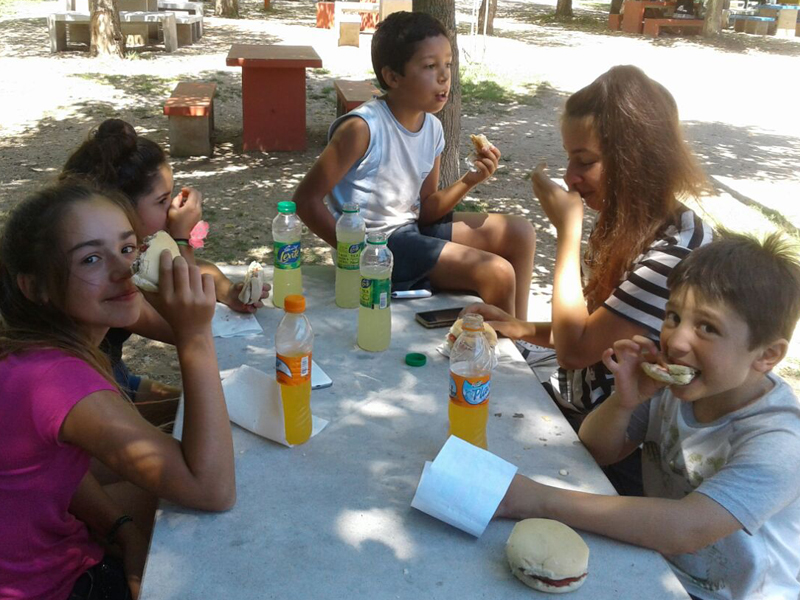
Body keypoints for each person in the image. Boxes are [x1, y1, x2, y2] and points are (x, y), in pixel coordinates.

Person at [495, 231, 800, 600]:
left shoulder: (780, 443)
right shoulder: (676, 389)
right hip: (657, 563)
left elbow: (686, 529)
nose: (676, 341)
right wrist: (625, 401)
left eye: (707, 327)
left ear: (767, 355)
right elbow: (597, 451)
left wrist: (535, 499)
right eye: (673, 316)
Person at [0, 181, 236, 600]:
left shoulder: (36, 354)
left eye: (128, 248)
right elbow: (212, 490)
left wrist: (121, 530)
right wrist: (195, 336)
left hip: (61, 550)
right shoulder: (56, 379)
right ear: (35, 287)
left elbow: (60, 470)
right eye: (91, 258)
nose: (124, 269)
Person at [466, 65, 713, 428]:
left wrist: (568, 232)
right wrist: (518, 326)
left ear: (636, 160)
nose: (569, 176)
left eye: (584, 161)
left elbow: (576, 351)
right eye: (569, 158)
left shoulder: (677, 252)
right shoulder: (624, 221)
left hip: (614, 432)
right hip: (578, 401)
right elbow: (594, 330)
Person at [291, 11, 535, 318]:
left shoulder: (433, 128)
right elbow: (305, 200)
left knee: (520, 232)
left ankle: (519, 335)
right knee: (496, 272)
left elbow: (427, 209)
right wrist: (357, 254)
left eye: (448, 64)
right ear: (393, 77)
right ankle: (501, 344)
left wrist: (470, 179)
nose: (444, 76)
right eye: (430, 66)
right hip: (379, 243)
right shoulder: (362, 128)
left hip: (410, 230)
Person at [60, 119, 269, 411]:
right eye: (162, 201)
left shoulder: (120, 253)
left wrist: (228, 291)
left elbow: (189, 270)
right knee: (212, 415)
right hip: (89, 395)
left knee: (219, 412)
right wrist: (181, 238)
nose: (172, 209)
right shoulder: (109, 279)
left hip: (114, 376)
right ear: (120, 210)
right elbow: (181, 325)